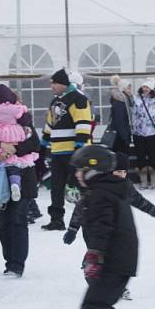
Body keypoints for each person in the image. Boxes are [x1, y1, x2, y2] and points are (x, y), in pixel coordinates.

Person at [64, 146, 138, 309]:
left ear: (93, 171)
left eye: (81, 170)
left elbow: (103, 229)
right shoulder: (110, 190)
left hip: (113, 262)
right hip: (122, 260)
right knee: (102, 305)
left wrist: (95, 257)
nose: (77, 175)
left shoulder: (100, 195)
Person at [0, 105, 41, 278]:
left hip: (23, 178)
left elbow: (35, 144)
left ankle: (17, 264)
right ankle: (9, 260)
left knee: (17, 220)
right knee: (3, 223)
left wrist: (14, 148)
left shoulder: (24, 120)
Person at [40, 69, 92, 231]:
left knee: (80, 185)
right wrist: (43, 143)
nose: (51, 87)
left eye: (53, 83)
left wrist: (80, 145)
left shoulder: (78, 98)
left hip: (74, 152)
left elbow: (83, 122)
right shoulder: (55, 101)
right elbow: (50, 124)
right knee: (56, 187)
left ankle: (89, 215)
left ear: (62, 83)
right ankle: (57, 219)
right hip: (57, 151)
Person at [131, 77, 155, 190]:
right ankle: (143, 181)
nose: (145, 89)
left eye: (147, 87)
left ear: (151, 89)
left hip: (152, 133)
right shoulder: (137, 99)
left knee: (153, 156)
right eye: (144, 86)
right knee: (140, 156)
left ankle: (154, 181)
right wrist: (133, 127)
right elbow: (133, 115)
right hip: (138, 132)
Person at [107, 75, 134, 154]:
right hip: (119, 136)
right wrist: (125, 137)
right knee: (121, 156)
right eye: (128, 88)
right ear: (123, 88)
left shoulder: (126, 100)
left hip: (122, 133)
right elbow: (120, 121)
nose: (130, 90)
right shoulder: (120, 102)